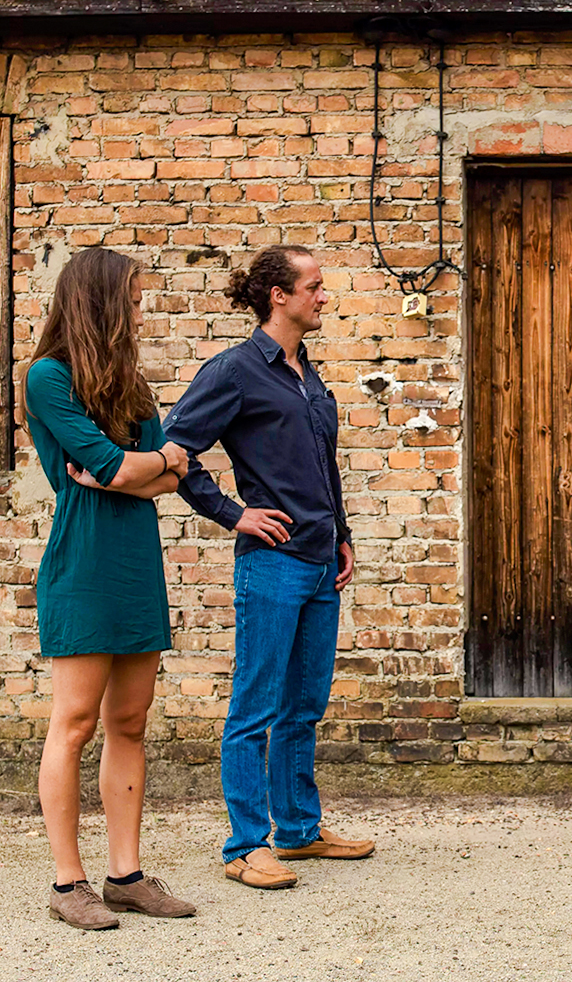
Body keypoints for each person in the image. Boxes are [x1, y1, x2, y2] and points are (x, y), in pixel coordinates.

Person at [164, 244, 374, 890]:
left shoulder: (306, 374)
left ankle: (300, 832)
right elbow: (176, 450)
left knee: (303, 706)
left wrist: (341, 535)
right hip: (272, 565)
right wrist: (234, 514)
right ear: (278, 295)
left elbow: (323, 470)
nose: (323, 297)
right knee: (255, 708)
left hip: (318, 562)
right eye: (313, 286)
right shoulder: (234, 371)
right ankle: (244, 844)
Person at [26, 247, 197, 929]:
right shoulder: (46, 378)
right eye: (131, 297)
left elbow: (163, 477)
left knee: (130, 721)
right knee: (71, 724)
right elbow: (108, 465)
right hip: (85, 564)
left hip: (135, 564)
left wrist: (149, 465)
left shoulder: (132, 384)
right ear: (99, 301)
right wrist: (154, 461)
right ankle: (68, 885)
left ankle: (125, 876)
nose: (139, 308)